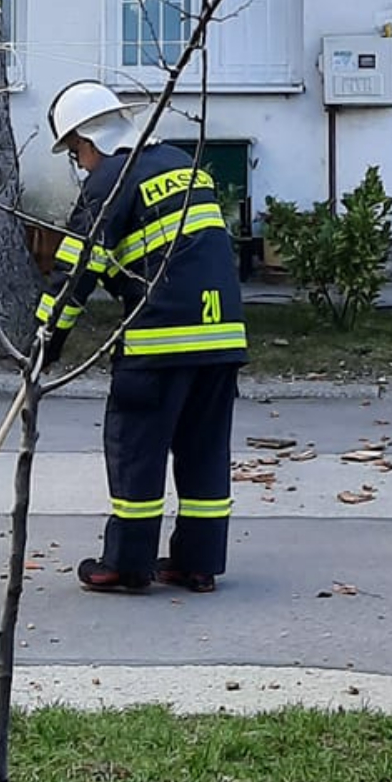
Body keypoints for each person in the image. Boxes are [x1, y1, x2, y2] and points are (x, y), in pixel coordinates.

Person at [36, 80, 246, 594]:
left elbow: (75, 271)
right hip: (222, 339)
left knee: (136, 449)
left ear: (90, 141)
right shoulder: (183, 164)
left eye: (77, 154)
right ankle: (197, 564)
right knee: (204, 452)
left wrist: (44, 343)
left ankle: (128, 566)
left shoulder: (110, 178)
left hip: (159, 345)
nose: (81, 166)